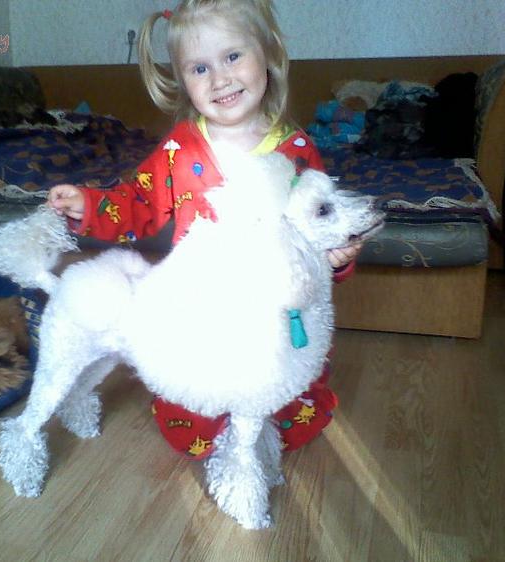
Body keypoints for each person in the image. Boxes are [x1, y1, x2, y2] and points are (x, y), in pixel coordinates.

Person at [47, 0, 361, 456]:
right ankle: (216, 434)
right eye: (199, 68)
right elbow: (139, 202)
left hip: (273, 309)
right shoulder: (179, 148)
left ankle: (265, 433)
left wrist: (337, 260)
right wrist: (90, 205)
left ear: (268, 54)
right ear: (182, 80)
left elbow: (319, 230)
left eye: (232, 56)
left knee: (287, 392)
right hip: (203, 307)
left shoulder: (297, 150)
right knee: (195, 403)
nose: (219, 79)